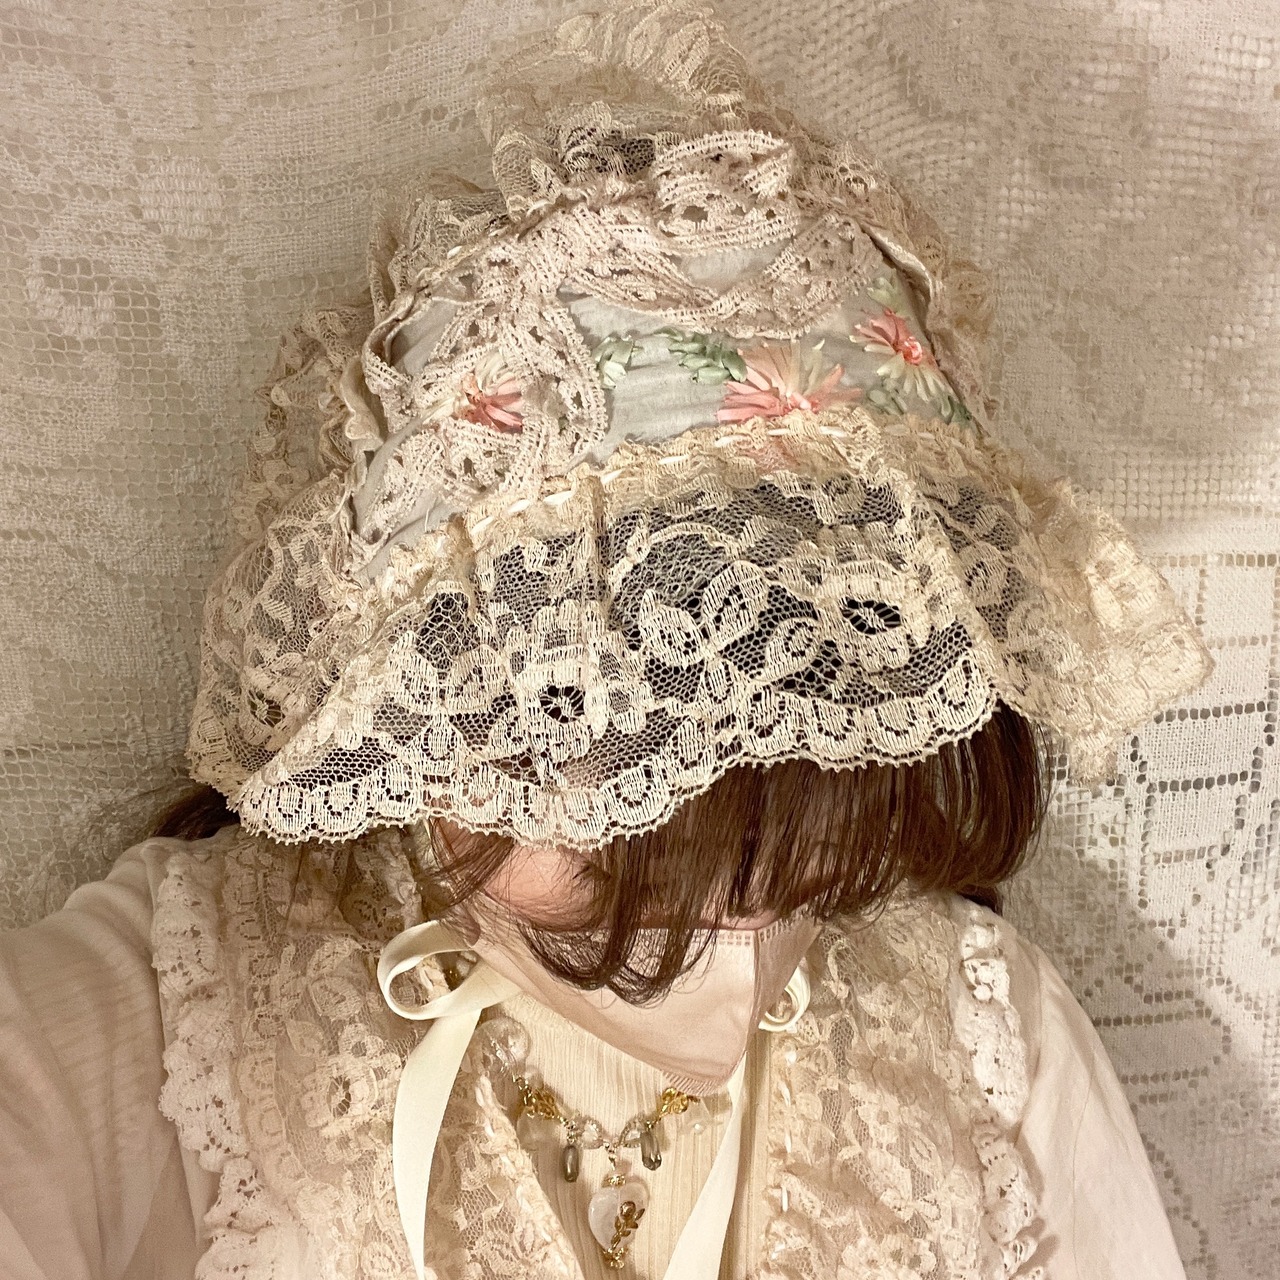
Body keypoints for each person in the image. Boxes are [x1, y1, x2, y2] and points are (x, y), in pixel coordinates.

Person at [0, 2, 1214, 1277]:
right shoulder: (167, 1008)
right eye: (626, 774)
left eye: (814, 776)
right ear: (443, 694)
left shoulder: (988, 1036)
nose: (742, 908)